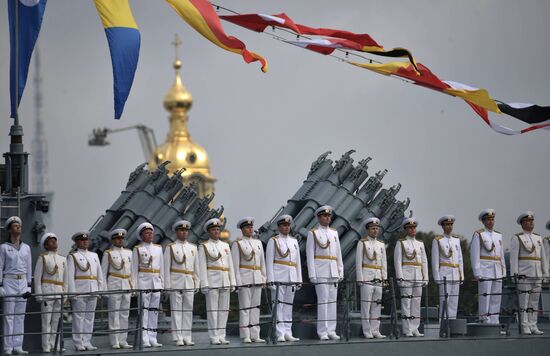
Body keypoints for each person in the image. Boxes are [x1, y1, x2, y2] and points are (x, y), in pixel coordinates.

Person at [306, 205, 343, 341]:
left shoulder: (334, 233)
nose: (328, 218)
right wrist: (312, 274)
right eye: (325, 216)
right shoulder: (313, 233)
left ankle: (331, 330)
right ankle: (322, 331)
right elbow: (310, 255)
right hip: (320, 269)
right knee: (323, 301)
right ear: (319, 217)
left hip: (333, 270)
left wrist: (340, 269)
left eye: (329, 216)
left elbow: (338, 253)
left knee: (332, 301)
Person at [198, 218, 236, 345]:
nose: (216, 231)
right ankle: (214, 335)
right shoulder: (204, 246)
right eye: (213, 230)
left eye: (218, 229)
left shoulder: (225, 246)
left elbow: (230, 265)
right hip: (212, 280)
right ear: (209, 232)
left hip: (225, 279)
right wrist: (204, 284)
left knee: (224, 310)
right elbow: (202, 266)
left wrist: (233, 281)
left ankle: (221, 334)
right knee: (212, 310)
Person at [265, 215, 302, 342]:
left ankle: (287, 331)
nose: (286, 227)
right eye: (283, 225)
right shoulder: (273, 241)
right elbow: (269, 261)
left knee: (288, 306)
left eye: (288, 225)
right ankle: (279, 332)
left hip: (291, 276)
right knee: (278, 306)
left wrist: (299, 279)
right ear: (279, 227)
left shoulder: (294, 241)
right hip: (278, 276)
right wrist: (270, 279)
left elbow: (297, 262)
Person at [510, 212, 548, 335]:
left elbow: (543, 258)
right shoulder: (517, 238)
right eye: (528, 221)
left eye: (532, 221)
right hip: (524, 274)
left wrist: (545, 273)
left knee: (534, 302)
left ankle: (533, 324)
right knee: (524, 301)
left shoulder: (538, 238)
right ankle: (524, 325)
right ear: (523, 223)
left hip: (537, 274)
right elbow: (514, 258)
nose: (531, 223)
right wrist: (515, 274)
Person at [231, 217, 267, 343]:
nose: (250, 229)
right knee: (245, 308)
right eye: (247, 227)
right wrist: (237, 281)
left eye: (251, 227)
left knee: (255, 308)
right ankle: (245, 334)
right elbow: (235, 264)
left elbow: (262, 262)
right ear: (242, 229)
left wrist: (263, 277)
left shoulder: (258, 243)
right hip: (244, 278)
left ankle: (255, 334)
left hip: (257, 277)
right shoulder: (238, 244)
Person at [163, 220, 199, 346]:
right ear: (176, 232)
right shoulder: (170, 247)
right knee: (176, 310)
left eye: (186, 230)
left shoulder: (193, 248)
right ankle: (178, 336)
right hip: (175, 281)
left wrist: (197, 283)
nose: (184, 232)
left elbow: (196, 268)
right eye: (181, 230)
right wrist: (167, 285)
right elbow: (166, 268)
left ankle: (187, 336)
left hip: (189, 280)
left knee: (188, 309)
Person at [67, 231, 104, 351]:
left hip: (92, 289)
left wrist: (99, 290)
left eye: (86, 240)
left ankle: (87, 341)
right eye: (82, 240)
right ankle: (78, 342)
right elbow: (70, 276)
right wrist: (72, 293)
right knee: (79, 317)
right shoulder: (73, 256)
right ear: (77, 242)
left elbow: (99, 274)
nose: (85, 242)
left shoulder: (94, 256)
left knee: (89, 317)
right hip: (80, 290)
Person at [0, 216, 32, 355]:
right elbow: (0, 266)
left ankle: (18, 345)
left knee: (20, 316)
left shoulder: (26, 248)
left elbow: (29, 267)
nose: (18, 227)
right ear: (9, 230)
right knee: (9, 316)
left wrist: (29, 286)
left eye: (19, 225)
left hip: (23, 282)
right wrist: (0, 285)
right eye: (14, 225)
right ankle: (8, 347)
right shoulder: (3, 248)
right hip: (9, 282)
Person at [470, 209, 506, 324]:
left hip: (497, 269)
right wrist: (477, 272)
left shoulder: (498, 235)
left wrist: (503, 270)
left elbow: (501, 255)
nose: (490, 222)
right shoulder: (479, 234)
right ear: (483, 221)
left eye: (492, 219)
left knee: (496, 297)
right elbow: (474, 254)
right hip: (484, 270)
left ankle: (495, 320)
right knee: (485, 296)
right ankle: (484, 319)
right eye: (488, 220)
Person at [394, 217, 428, 337]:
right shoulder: (401, 243)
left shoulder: (420, 244)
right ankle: (407, 328)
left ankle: (415, 327)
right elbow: (397, 261)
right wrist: (400, 278)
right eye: (410, 228)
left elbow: (424, 261)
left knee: (416, 303)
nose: (413, 229)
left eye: (414, 227)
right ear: (406, 229)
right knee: (406, 303)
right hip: (406, 275)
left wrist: (426, 277)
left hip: (418, 275)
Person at [132, 222, 164, 347]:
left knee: (154, 312)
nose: (150, 235)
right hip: (143, 282)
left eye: (151, 232)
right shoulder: (138, 249)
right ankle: (144, 338)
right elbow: (134, 269)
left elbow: (161, 267)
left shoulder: (158, 248)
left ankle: (152, 337)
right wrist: (135, 286)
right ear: (141, 235)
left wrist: (162, 283)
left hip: (156, 282)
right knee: (144, 311)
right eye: (147, 233)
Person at [34, 232, 66, 353]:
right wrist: (39, 295)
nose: (54, 243)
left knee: (56, 321)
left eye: (55, 241)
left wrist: (65, 293)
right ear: (46, 245)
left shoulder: (62, 259)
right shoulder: (43, 258)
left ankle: (54, 343)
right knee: (46, 321)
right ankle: (46, 345)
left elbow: (65, 280)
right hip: (47, 292)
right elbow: (37, 278)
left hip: (59, 292)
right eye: (51, 241)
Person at [101, 229, 133, 349]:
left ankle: (123, 340)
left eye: (122, 238)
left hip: (126, 285)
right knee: (114, 314)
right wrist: (104, 290)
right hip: (114, 285)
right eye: (118, 239)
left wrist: (133, 287)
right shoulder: (108, 254)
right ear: (113, 240)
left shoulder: (129, 253)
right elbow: (104, 273)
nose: (120, 240)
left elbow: (132, 271)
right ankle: (114, 340)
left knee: (125, 314)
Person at [355, 217, 387, 339]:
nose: (375, 231)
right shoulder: (362, 243)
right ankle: (367, 331)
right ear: (368, 230)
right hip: (367, 277)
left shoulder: (381, 245)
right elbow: (358, 262)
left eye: (376, 228)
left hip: (378, 276)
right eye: (373, 228)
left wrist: (385, 279)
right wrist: (360, 278)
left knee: (377, 305)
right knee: (366, 305)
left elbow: (384, 264)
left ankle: (375, 330)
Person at [432, 215, 464, 322]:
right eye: (447, 225)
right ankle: (443, 325)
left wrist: (461, 275)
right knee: (444, 301)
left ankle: (452, 324)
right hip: (444, 274)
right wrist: (437, 276)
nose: (449, 227)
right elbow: (435, 260)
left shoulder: (456, 240)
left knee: (454, 302)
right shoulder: (438, 240)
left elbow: (460, 259)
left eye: (451, 224)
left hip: (455, 273)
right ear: (443, 226)